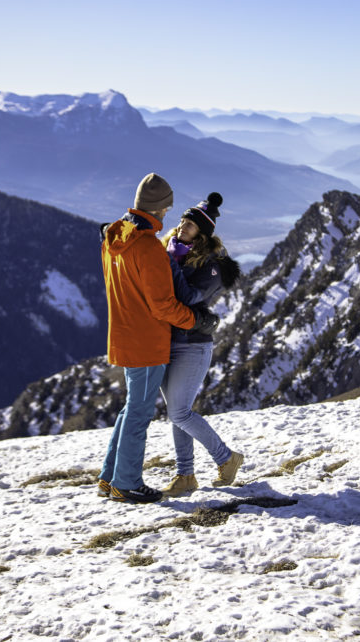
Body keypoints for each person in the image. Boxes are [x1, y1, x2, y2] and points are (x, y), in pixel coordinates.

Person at [97, 173, 219, 504]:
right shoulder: (150, 248)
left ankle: (110, 477)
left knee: (129, 408)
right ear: (157, 208)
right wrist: (197, 319)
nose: (167, 217)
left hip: (122, 335)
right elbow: (163, 306)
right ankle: (127, 483)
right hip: (147, 342)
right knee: (138, 413)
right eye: (166, 210)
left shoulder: (115, 235)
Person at [158, 192, 245, 497]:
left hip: (192, 345)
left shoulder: (211, 265)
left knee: (180, 412)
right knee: (176, 412)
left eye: (191, 224)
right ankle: (185, 476)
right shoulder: (170, 250)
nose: (182, 225)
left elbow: (188, 298)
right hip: (167, 341)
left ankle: (227, 458)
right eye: (182, 220)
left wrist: (167, 265)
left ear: (203, 235)